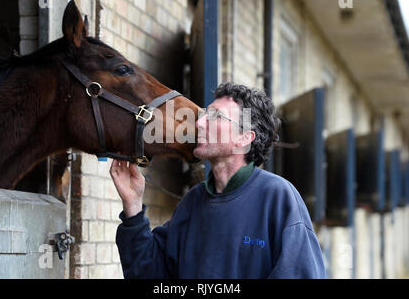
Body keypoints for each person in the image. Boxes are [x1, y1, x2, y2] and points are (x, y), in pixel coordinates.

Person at [111, 82, 326, 278]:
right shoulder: (192, 203)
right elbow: (149, 273)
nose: (200, 123)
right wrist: (133, 207)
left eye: (216, 116)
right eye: (205, 114)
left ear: (244, 138)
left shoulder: (278, 198)